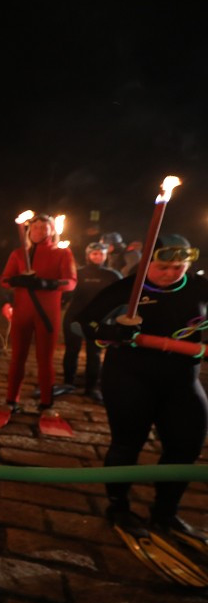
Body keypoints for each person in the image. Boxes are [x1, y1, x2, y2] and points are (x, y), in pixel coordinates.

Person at [75, 233, 208, 580]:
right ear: (147, 262)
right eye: (163, 266)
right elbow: (80, 323)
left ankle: (167, 511)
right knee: (127, 442)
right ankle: (119, 506)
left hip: (182, 379)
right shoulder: (127, 289)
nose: (170, 273)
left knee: (186, 443)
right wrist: (111, 332)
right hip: (130, 377)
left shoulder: (196, 287)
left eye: (179, 267)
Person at [0, 214, 76, 433]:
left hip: (47, 314)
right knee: (17, 358)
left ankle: (47, 403)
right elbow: (4, 279)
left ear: (51, 230)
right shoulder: (18, 254)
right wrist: (16, 280)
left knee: (45, 359)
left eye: (44, 227)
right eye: (35, 227)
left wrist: (48, 283)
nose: (39, 230)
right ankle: (11, 399)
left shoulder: (62, 253)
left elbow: (70, 282)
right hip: (22, 312)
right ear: (29, 231)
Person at [58, 242, 121, 402]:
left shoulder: (112, 275)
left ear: (106, 256)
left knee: (95, 353)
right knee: (72, 350)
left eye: (101, 254)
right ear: (88, 255)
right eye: (94, 254)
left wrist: (115, 318)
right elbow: (63, 294)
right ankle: (68, 382)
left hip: (99, 319)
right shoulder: (77, 273)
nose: (97, 257)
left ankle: (91, 387)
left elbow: (120, 298)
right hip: (75, 316)